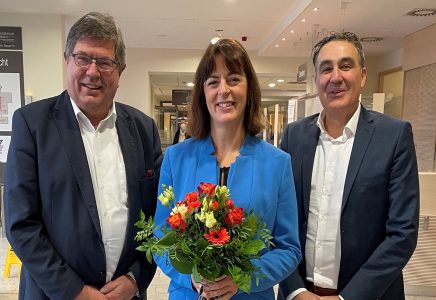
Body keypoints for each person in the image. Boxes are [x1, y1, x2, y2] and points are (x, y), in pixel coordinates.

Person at [4, 12, 163, 300]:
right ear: (67, 60)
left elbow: (159, 218)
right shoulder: (32, 124)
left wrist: (136, 278)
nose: (93, 71)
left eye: (104, 62)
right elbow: (21, 224)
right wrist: (75, 292)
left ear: (120, 70)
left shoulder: (143, 129)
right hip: (55, 294)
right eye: (82, 58)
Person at [154, 38, 302, 300]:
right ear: (203, 92)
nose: (224, 90)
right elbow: (161, 236)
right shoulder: (176, 159)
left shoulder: (277, 163)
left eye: (234, 79)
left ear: (249, 89)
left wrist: (242, 278)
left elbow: (289, 248)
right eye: (213, 82)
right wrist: (190, 276)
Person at [278, 32, 419, 300]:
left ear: (363, 75)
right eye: (326, 68)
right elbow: (279, 223)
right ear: (317, 79)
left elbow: (402, 234)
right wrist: (295, 290)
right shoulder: (294, 137)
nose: (335, 77)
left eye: (345, 66)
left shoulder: (394, 136)